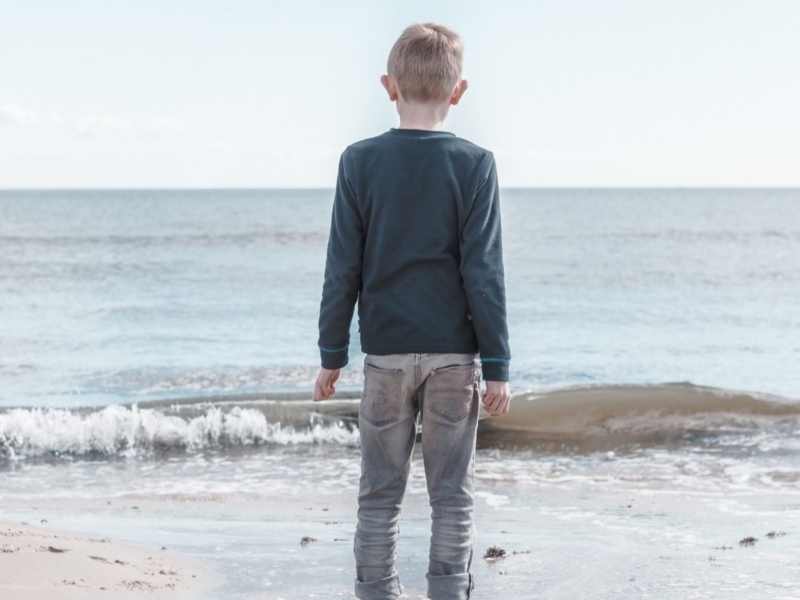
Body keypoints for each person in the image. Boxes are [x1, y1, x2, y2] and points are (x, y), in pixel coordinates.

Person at [312, 22, 511, 600]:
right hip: (455, 357)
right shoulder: (475, 165)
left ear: (388, 85)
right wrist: (497, 363)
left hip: (385, 355)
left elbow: (342, 266)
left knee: (379, 494)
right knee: (453, 495)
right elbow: (484, 272)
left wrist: (332, 355)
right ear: (459, 91)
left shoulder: (360, 161)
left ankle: (376, 592)